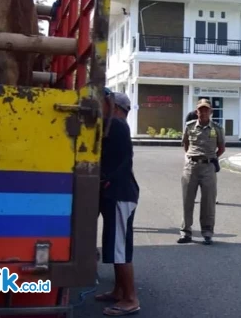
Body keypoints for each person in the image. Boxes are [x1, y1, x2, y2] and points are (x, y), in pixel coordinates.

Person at [95, 88, 141, 316]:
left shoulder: (119, 126)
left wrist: (107, 180)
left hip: (121, 195)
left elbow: (124, 162)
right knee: (114, 246)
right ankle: (118, 291)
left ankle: (131, 298)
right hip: (115, 193)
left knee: (119, 248)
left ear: (116, 108)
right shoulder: (112, 126)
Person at [179, 98, 225, 245]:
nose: (203, 112)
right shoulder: (189, 126)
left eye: (206, 110)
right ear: (196, 111)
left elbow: (221, 148)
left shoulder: (217, 128)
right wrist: (192, 157)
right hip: (191, 167)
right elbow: (185, 145)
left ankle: (207, 232)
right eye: (200, 109)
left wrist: (211, 159)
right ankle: (186, 232)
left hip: (208, 168)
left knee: (208, 202)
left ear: (211, 112)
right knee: (187, 201)